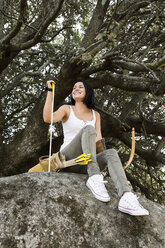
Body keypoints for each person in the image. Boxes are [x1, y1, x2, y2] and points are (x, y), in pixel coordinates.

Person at [43, 80, 149, 216]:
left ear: (88, 92)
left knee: (110, 153)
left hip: (84, 163)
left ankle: (126, 197)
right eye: (74, 87)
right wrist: (50, 91)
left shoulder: (95, 115)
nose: (76, 89)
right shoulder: (67, 109)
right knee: (88, 129)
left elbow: (98, 141)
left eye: (80, 87)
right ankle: (94, 176)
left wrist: (111, 164)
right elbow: (47, 118)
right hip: (68, 160)